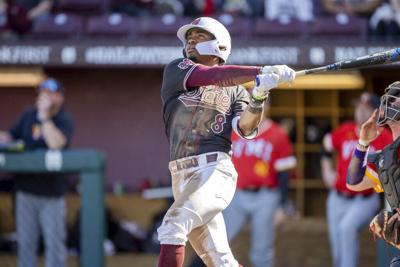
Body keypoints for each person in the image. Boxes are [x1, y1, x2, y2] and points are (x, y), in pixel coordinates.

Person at [158, 16, 296, 267]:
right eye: (189, 37)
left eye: (200, 36)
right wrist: (261, 71)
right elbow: (214, 76)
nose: (191, 40)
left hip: (214, 171)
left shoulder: (237, 91)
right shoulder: (177, 69)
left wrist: (259, 94)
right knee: (221, 261)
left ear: (219, 45)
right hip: (181, 174)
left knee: (172, 225)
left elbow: (245, 128)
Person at [0, 77, 73, 267]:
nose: (45, 97)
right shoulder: (28, 115)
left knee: (54, 247)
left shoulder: (63, 119)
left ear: (60, 97)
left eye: (50, 93)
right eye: (42, 93)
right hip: (25, 192)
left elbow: (56, 144)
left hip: (52, 194)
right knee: (25, 246)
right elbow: (9, 137)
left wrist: (44, 117)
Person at [321, 92, 392, 267]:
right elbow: (326, 144)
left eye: (366, 108)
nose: (360, 111)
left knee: (347, 228)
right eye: (358, 107)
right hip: (337, 197)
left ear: (378, 113)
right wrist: (326, 170)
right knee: (337, 246)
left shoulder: (384, 137)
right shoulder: (345, 129)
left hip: (365, 199)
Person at [346, 81, 400, 267]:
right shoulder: (386, 157)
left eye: (396, 101)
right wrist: (363, 143)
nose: (390, 103)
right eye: (390, 100)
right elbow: (354, 182)